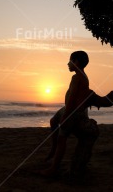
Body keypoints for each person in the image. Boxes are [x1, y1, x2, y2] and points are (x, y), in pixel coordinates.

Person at [40, 50, 99, 178]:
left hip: (73, 111)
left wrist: (66, 116)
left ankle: (54, 168)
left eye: (70, 60)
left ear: (76, 62)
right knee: (52, 121)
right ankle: (53, 148)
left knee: (62, 137)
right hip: (69, 108)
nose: (68, 64)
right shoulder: (82, 76)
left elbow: (72, 97)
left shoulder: (77, 77)